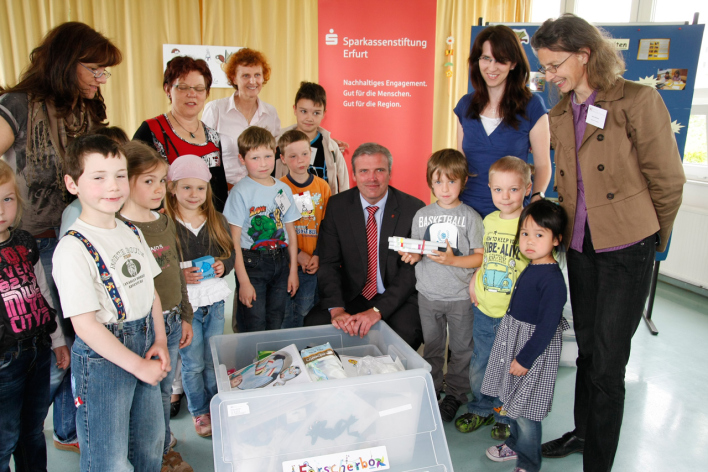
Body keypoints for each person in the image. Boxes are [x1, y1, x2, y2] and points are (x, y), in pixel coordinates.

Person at [531, 14, 685, 471]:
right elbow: (569, 185)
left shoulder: (637, 100)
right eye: (545, 68)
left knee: (609, 364)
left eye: (556, 65)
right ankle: (583, 433)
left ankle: (598, 462)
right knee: (589, 353)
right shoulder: (560, 111)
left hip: (626, 248)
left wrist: (655, 239)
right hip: (581, 248)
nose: (550, 76)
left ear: (585, 54)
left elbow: (668, 180)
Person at [0, 21, 122, 454]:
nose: (101, 79)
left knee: (78, 337)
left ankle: (67, 430)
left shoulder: (86, 108)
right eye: (95, 69)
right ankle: (23, 430)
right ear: (68, 63)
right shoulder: (17, 105)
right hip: (31, 244)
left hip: (78, 233)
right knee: (48, 346)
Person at [52, 135, 168, 471]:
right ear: (73, 184)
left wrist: (159, 339)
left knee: (149, 444)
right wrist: (137, 366)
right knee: (110, 459)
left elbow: (151, 293)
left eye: (119, 175)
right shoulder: (72, 248)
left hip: (144, 341)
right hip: (104, 359)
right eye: (98, 177)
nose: (113, 186)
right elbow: (85, 325)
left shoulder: (131, 230)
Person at [117, 141, 194, 471]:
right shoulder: (119, 228)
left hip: (174, 319)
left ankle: (162, 445)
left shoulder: (165, 221)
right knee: (144, 398)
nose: (158, 188)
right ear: (126, 181)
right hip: (143, 327)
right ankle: (151, 452)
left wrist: (186, 315)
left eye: (162, 181)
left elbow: (176, 270)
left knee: (164, 392)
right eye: (148, 181)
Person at [305, 143, 425, 349]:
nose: (372, 178)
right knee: (314, 326)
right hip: (353, 294)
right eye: (364, 171)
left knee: (404, 335)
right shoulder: (337, 206)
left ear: (390, 173)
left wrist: (378, 311)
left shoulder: (413, 209)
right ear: (353, 174)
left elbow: (410, 271)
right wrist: (337, 310)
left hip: (397, 298)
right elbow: (328, 262)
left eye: (379, 170)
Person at [481, 200, 569, 472]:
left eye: (539, 234)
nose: (530, 241)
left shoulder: (552, 280)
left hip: (532, 353)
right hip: (517, 344)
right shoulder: (532, 265)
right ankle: (515, 447)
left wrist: (525, 358)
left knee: (527, 412)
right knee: (511, 402)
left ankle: (529, 464)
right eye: (525, 234)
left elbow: (547, 327)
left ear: (556, 240)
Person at [399, 149, 483, 421]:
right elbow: (418, 249)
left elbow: (479, 257)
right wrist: (412, 255)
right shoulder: (421, 215)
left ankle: (456, 394)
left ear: (463, 182)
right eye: (438, 182)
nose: (444, 188)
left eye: (451, 181)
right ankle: (434, 389)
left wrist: (452, 260)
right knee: (433, 347)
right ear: (429, 182)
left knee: (461, 349)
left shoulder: (471, 216)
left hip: (460, 296)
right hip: (428, 295)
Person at [454, 156, 532, 440]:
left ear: (527, 188)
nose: (505, 196)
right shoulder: (488, 220)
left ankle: (508, 414)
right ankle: (482, 406)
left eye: (513, 189)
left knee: (513, 365)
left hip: (516, 313)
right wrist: (475, 280)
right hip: (486, 308)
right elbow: (484, 258)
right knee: (482, 360)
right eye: (498, 189)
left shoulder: (530, 224)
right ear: (489, 188)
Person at [0, 160, 66, 471]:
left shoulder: (25, 242)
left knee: (32, 432)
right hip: (4, 363)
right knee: (5, 437)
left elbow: (43, 293)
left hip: (38, 351)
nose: (0, 209)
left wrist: (57, 340)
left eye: (7, 199)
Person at [164, 154, 235, 437]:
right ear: (172, 188)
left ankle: (215, 404)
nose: (194, 195)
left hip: (215, 303)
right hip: (185, 307)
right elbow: (158, 266)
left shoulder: (217, 220)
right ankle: (199, 412)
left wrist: (222, 266)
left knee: (211, 358)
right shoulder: (164, 222)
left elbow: (228, 256)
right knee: (192, 363)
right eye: (186, 188)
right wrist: (179, 275)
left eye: (200, 188)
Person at [454, 25, 551, 218]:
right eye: (486, 58)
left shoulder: (532, 106)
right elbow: (460, 163)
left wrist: (536, 199)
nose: (491, 67)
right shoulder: (465, 105)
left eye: (500, 60)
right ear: (477, 60)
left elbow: (542, 165)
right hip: (467, 214)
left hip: (510, 215)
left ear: (513, 63)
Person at [223, 126, 300, 332]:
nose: (263, 164)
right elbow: (234, 242)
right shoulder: (240, 192)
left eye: (267, 156)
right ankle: (251, 363)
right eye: (255, 158)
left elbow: (290, 232)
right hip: (252, 264)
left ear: (276, 154)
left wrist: (293, 271)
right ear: (242, 159)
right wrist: (243, 282)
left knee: (276, 321)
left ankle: (271, 363)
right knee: (253, 323)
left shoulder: (283, 189)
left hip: (281, 262)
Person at [133, 56, 228, 212]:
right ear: (167, 89)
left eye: (199, 88)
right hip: (167, 224)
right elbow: (134, 181)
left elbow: (220, 190)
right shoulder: (152, 130)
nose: (192, 94)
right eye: (183, 87)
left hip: (208, 225)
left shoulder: (213, 136)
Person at [202, 48, 281, 187]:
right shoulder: (215, 110)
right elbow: (203, 157)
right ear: (234, 78)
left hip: (259, 193)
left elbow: (275, 154)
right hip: (222, 193)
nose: (253, 81)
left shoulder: (271, 113)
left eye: (257, 75)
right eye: (245, 75)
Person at [277, 129, 332, 328]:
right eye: (293, 156)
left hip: (316, 263)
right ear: (283, 158)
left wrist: (317, 255)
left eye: (304, 154)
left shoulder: (323, 187)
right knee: (292, 315)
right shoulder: (278, 188)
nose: (300, 160)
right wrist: (297, 254)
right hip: (291, 264)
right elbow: (277, 229)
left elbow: (328, 226)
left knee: (313, 313)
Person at [274, 82, 350, 194]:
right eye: (304, 111)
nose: (309, 118)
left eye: (316, 113)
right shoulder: (278, 143)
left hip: (323, 209)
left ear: (324, 113)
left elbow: (343, 184)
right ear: (295, 109)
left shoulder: (331, 147)